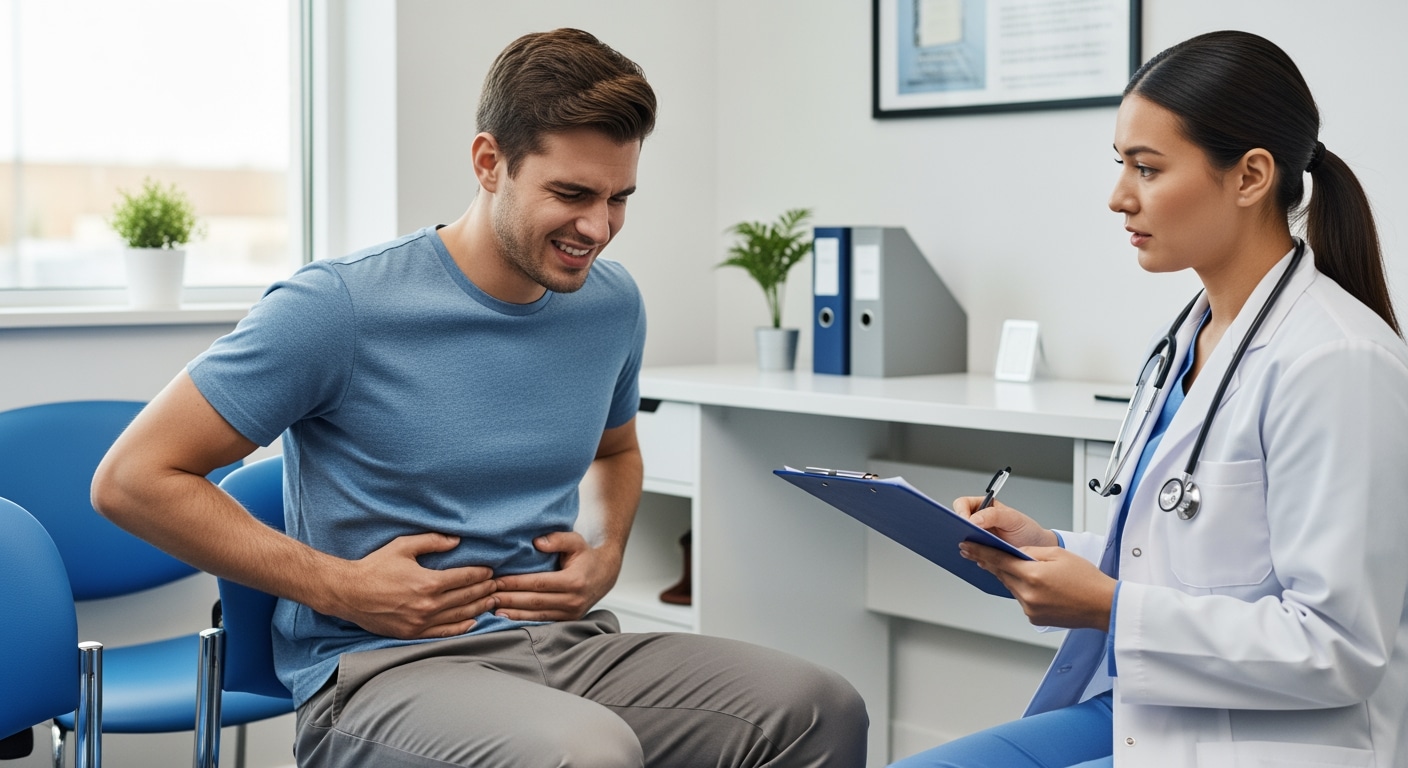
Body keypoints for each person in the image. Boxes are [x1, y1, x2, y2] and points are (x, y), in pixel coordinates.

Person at [92, 28, 867, 768]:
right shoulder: (339, 307)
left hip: (566, 650)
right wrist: (342, 586)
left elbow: (617, 450)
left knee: (819, 708)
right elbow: (132, 479)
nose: (598, 227)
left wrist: (605, 551)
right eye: (571, 193)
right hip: (381, 670)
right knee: (586, 753)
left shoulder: (611, 305)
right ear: (490, 162)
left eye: (619, 197)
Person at [891, 30, 1408, 768]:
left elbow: (1338, 649)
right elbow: (1182, 563)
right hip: (1157, 706)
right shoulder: (1186, 341)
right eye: (1122, 165)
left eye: (1148, 168)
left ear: (1251, 176)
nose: (1119, 197)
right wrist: (1049, 550)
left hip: (1268, 737)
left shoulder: (1337, 363)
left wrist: (1107, 605)